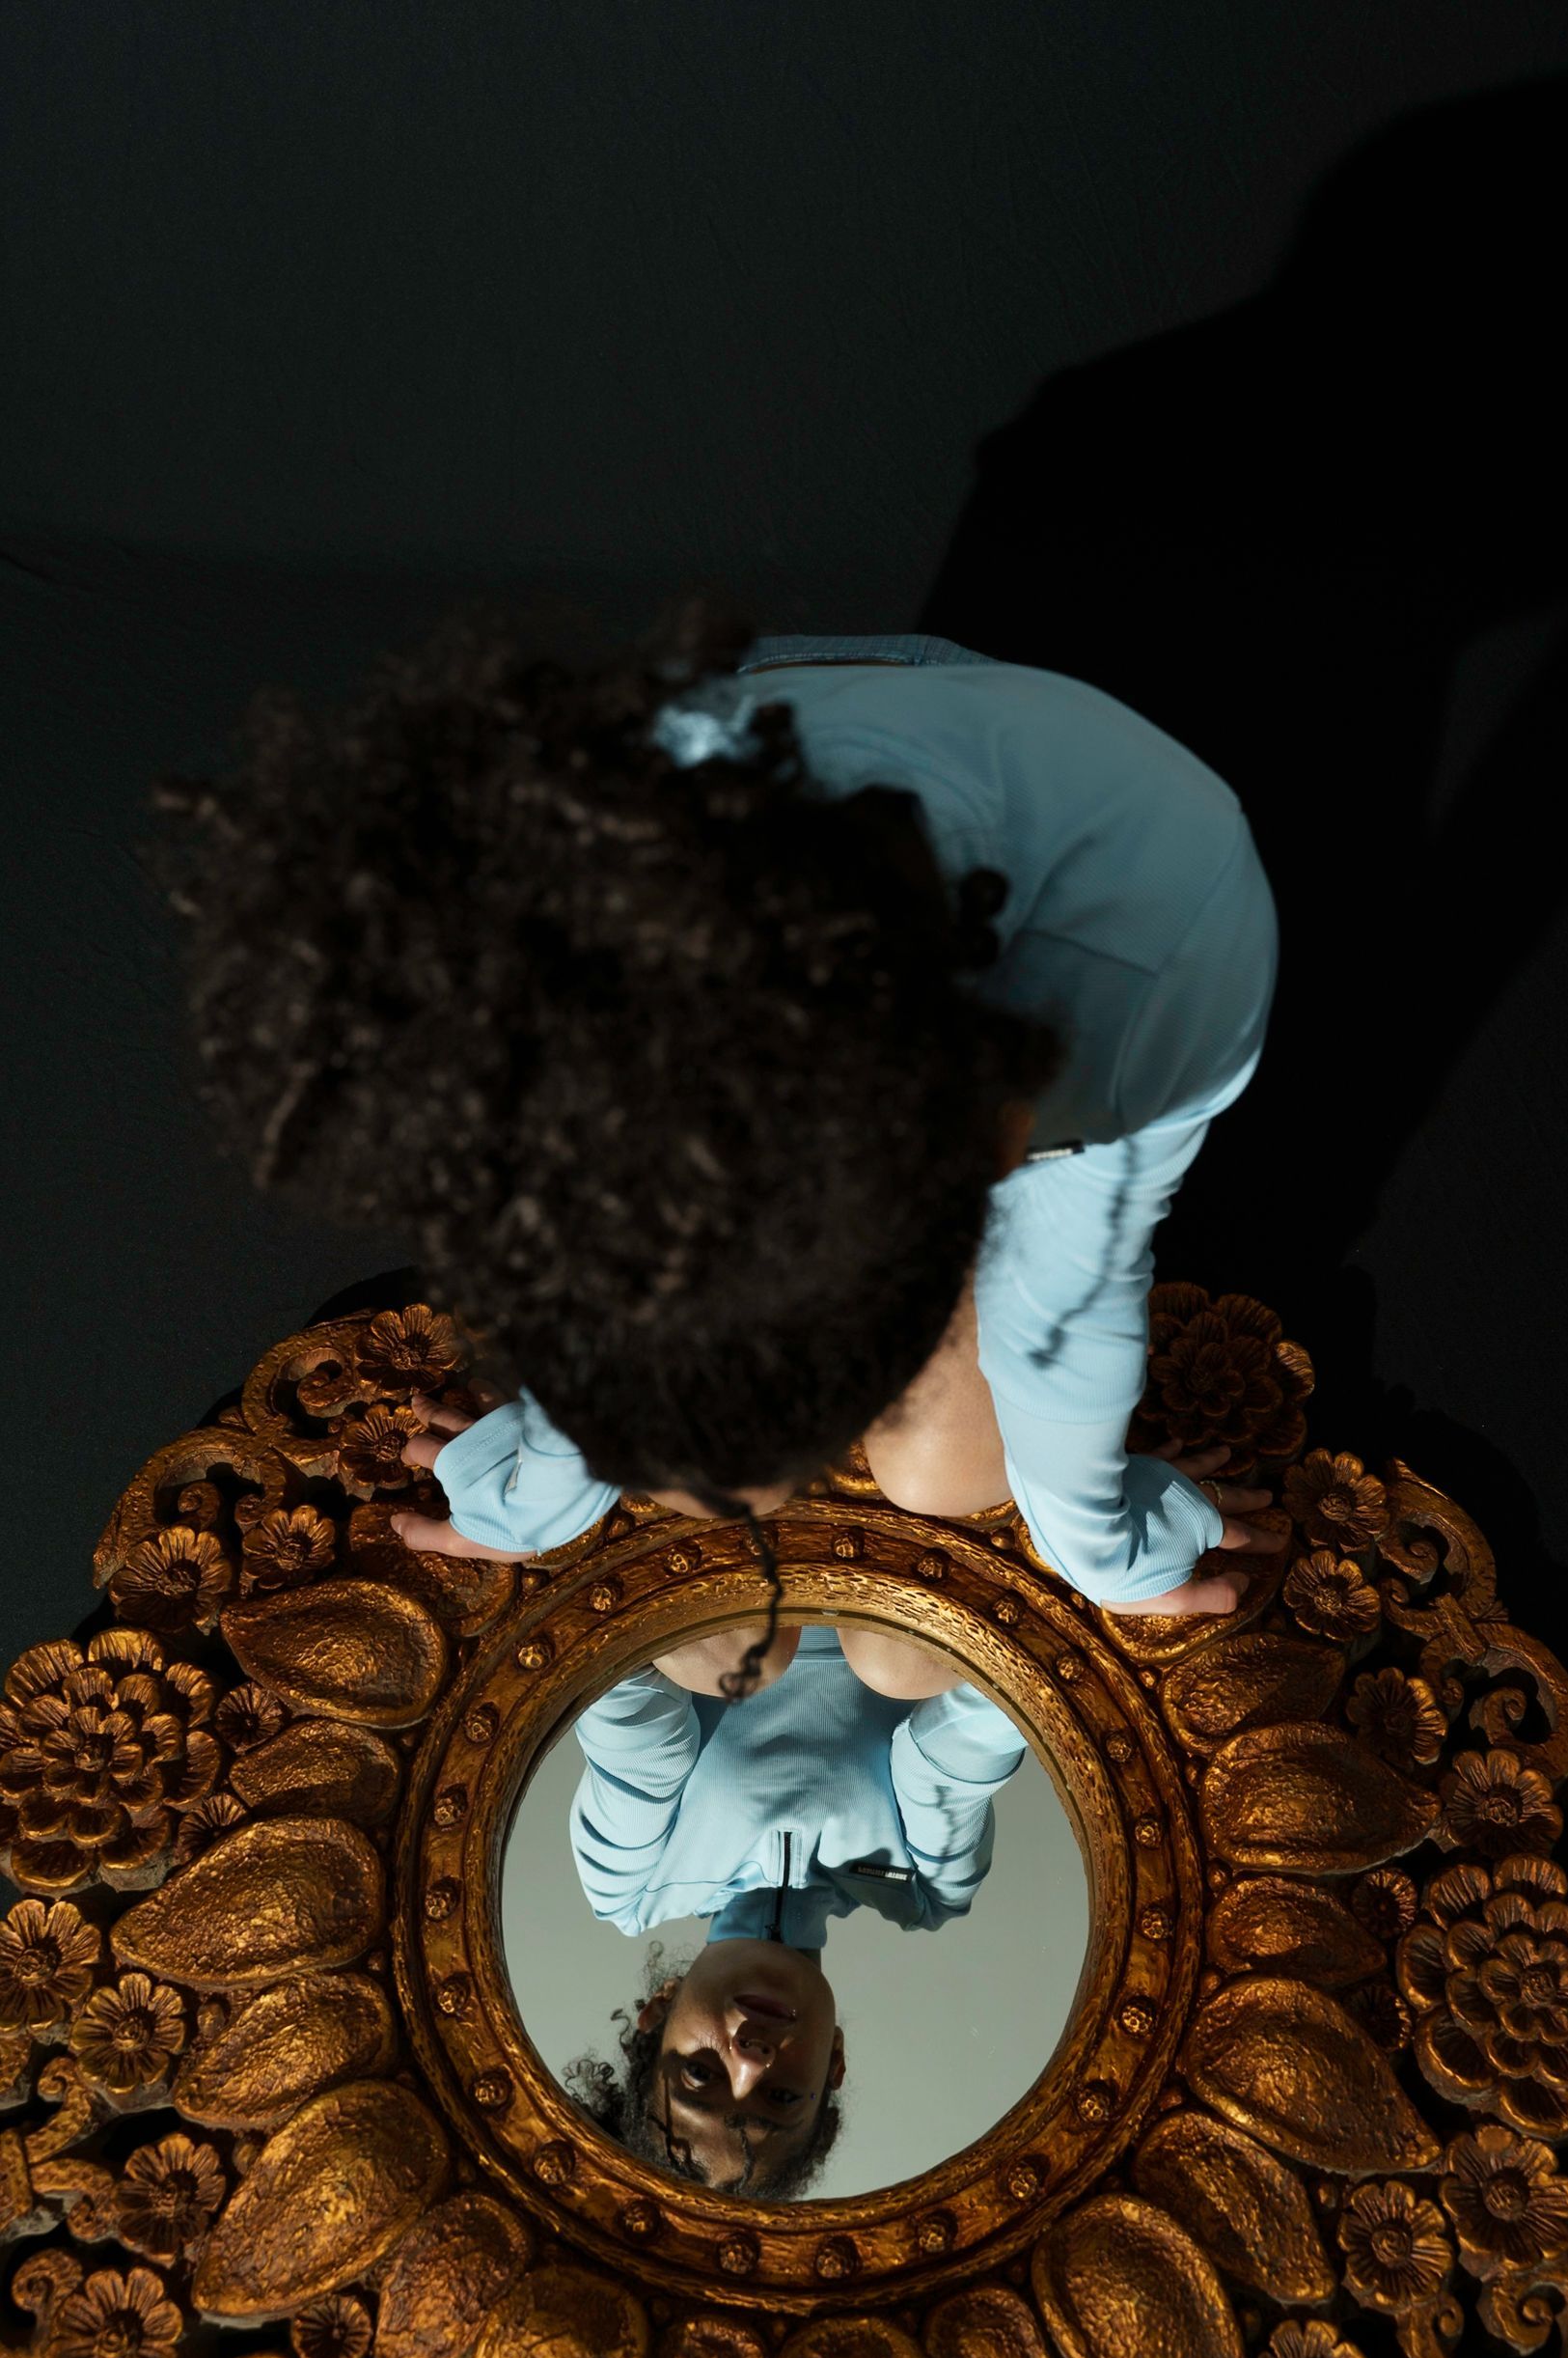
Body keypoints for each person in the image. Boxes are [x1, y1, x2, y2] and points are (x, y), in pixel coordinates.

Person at [146, 593, 1288, 1688]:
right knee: (912, 1464)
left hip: (1080, 808)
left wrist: (1107, 1544)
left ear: (988, 1153)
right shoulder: (553, 960)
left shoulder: (1158, 974)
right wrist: (546, 1467)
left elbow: (1068, 1291)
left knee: (947, 1473)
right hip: (758, 764)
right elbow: (605, 1260)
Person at [560, 1618, 1025, 2197]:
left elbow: (622, 1683)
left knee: (730, 1653)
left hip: (721, 1569)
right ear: (834, 2062)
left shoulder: (631, 1883)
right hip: (910, 1579)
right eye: (779, 2096)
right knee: (895, 1666)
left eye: (700, 2074)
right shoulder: (925, 1889)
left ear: (657, 2013)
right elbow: (996, 1697)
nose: (752, 2058)